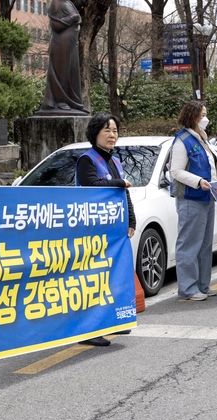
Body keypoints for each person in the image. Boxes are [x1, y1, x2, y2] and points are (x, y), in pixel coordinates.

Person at [75, 113, 136, 346]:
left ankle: (111, 322)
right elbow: (91, 186)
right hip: (92, 230)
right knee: (93, 279)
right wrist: (120, 183)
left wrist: (131, 220)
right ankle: (88, 331)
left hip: (113, 231)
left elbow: (123, 193)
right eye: (107, 130)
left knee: (112, 278)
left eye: (115, 130)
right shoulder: (86, 160)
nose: (113, 135)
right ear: (95, 134)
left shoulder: (114, 160)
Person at [170, 101, 217, 301]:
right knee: (189, 244)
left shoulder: (202, 139)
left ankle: (202, 285)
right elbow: (176, 171)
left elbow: (210, 167)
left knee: (205, 244)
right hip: (191, 199)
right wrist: (198, 182)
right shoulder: (182, 141)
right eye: (203, 114)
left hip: (207, 198)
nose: (206, 118)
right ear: (193, 116)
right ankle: (188, 290)